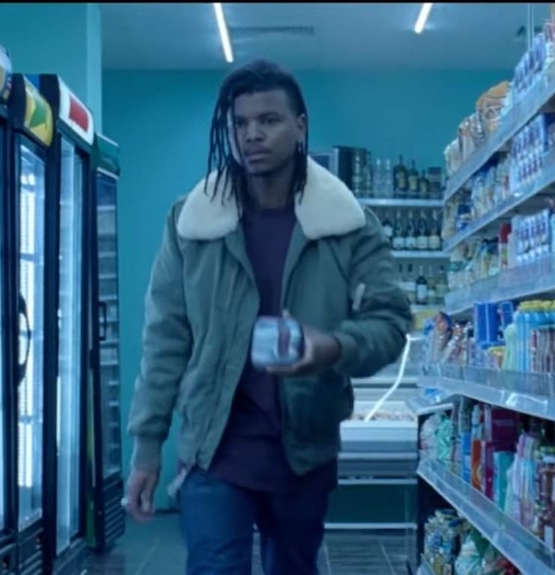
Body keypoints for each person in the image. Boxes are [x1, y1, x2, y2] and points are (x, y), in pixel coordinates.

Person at [123, 59, 412, 575]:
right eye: (240, 123)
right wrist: (148, 448)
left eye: (270, 120)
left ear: (300, 125)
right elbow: (166, 339)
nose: (252, 134)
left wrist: (329, 347)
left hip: (304, 451)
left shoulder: (347, 225)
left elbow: (390, 323)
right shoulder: (192, 222)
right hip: (214, 452)